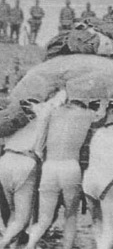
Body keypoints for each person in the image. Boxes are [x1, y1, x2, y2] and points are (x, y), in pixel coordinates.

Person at [25, 101, 99, 249]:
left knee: (43, 220)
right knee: (70, 216)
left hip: (49, 166)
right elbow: (101, 115)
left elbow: (39, 145)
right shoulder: (87, 115)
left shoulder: (52, 112)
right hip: (71, 167)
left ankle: (29, 246)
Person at [0, 91, 66, 249]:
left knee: (14, 214)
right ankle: (3, 244)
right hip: (26, 162)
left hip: (5, 160)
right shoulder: (49, 112)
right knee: (22, 219)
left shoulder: (20, 111)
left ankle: (13, 246)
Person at [83, 105, 113, 249]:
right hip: (109, 181)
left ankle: (99, 245)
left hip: (89, 180)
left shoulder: (98, 133)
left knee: (97, 221)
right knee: (110, 228)